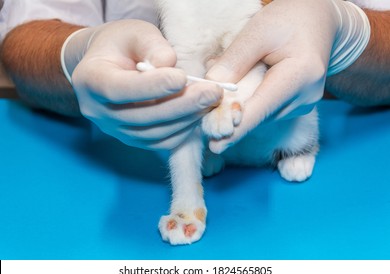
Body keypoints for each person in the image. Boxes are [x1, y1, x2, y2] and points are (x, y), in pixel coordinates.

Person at [0, 0, 388, 153]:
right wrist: (77, 54)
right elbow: (25, 35)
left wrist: (345, 31)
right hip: (141, 147)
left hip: (309, 140)